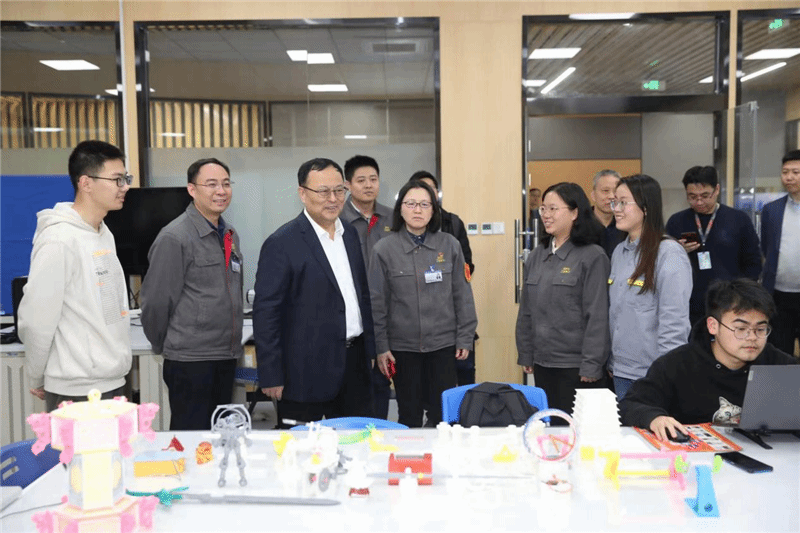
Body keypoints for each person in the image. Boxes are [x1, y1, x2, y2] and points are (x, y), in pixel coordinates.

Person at [253, 158, 374, 425]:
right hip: (304, 373)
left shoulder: (350, 234)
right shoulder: (282, 243)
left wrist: (372, 351)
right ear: (302, 193)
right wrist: (271, 375)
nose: (333, 199)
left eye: (339, 190)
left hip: (354, 366)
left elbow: (361, 297)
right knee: (302, 448)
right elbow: (266, 315)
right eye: (323, 191)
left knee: (355, 442)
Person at [18, 140, 132, 412]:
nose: (125, 187)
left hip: (113, 379)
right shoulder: (58, 239)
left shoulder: (103, 232)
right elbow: (37, 319)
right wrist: (37, 374)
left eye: (125, 179)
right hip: (76, 388)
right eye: (117, 179)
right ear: (86, 183)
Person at [620, 278, 798, 441]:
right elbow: (631, 404)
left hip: (769, 458)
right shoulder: (677, 365)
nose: (752, 337)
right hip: (694, 460)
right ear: (713, 326)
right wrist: (654, 418)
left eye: (760, 329)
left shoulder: (778, 364)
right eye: (741, 329)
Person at [140, 158, 243, 430]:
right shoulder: (175, 237)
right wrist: (164, 344)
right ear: (192, 189)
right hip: (190, 361)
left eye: (226, 184)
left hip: (225, 355)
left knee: (220, 437)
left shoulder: (229, 234)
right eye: (211, 184)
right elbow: (155, 302)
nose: (221, 191)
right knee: (192, 439)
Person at [369, 180, 478, 427]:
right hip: (402, 350)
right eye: (411, 204)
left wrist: (465, 337)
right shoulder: (383, 250)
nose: (417, 210)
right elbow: (377, 303)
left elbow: (463, 295)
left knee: (443, 417)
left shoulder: (450, 245)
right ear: (400, 209)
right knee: (409, 415)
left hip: (443, 346)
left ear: (433, 210)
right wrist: (381, 347)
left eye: (424, 204)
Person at [515, 182, 610, 414]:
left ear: (575, 212)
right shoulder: (537, 256)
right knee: (550, 427)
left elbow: (597, 316)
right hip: (543, 363)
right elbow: (526, 311)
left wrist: (591, 364)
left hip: (576, 367)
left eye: (553, 209)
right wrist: (526, 352)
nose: (546, 215)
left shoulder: (592, 256)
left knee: (576, 430)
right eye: (543, 209)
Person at [608, 174, 692, 400]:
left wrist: (667, 373)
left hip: (653, 374)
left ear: (646, 208)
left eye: (623, 202)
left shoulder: (669, 253)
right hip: (621, 370)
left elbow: (674, 322)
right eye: (614, 202)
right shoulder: (619, 252)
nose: (616, 209)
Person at [666, 166, 761, 327]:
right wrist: (677, 251)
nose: (699, 202)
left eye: (705, 196)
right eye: (692, 197)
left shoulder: (738, 219)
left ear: (716, 190)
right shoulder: (676, 222)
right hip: (688, 304)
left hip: (730, 304)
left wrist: (742, 296)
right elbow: (665, 266)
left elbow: (753, 262)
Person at [410, 170, 477, 385]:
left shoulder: (452, 223)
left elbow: (467, 266)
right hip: (415, 326)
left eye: (430, 191)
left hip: (448, 312)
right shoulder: (399, 235)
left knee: (461, 373)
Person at [340, 155, 394, 419]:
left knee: (382, 384)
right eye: (361, 180)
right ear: (348, 185)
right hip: (354, 317)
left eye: (373, 179)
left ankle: (380, 432)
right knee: (356, 389)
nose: (368, 185)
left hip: (388, 314)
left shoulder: (393, 218)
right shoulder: (337, 219)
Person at [760, 150, 800, 356]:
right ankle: (781, 381)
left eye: (795, 172)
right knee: (779, 353)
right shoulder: (771, 210)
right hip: (778, 296)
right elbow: (766, 247)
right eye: (785, 172)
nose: (789, 177)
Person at [590, 169, 624, 258]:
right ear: (593, 195)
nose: (611, 196)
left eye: (615, 191)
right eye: (605, 191)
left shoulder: (626, 225)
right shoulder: (580, 223)